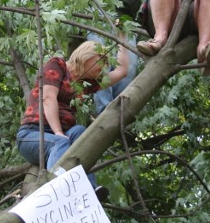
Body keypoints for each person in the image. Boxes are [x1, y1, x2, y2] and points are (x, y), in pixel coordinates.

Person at [16, 40, 129, 200]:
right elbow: (48, 98)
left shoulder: (85, 83)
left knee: (80, 132)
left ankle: (90, 189)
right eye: (101, 60)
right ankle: (59, 190)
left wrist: (122, 37)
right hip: (32, 134)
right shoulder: (57, 65)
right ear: (86, 56)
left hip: (62, 134)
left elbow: (122, 71)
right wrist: (57, 132)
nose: (104, 67)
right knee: (60, 142)